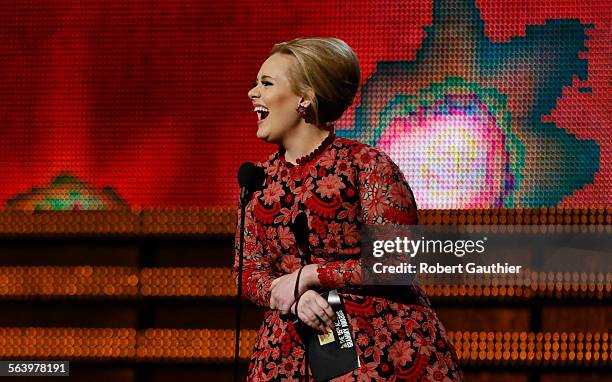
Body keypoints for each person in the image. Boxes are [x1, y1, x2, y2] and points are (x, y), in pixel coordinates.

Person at [234, 37, 463, 381]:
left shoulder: (366, 165)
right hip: (287, 352)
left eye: (266, 83)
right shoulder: (259, 180)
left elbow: (398, 262)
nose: (253, 92)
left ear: (304, 98)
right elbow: (247, 272)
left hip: (377, 347)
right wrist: (293, 300)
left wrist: (310, 275)